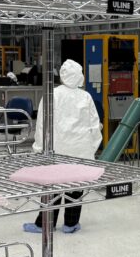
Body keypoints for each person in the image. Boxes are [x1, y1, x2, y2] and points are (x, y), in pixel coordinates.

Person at [23, 59, 101, 234]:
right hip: (80, 150)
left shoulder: (52, 95)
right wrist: (91, 148)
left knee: (53, 187)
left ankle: (44, 224)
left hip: (56, 150)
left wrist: (39, 148)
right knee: (76, 187)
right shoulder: (86, 96)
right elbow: (95, 126)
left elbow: (42, 125)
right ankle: (71, 224)